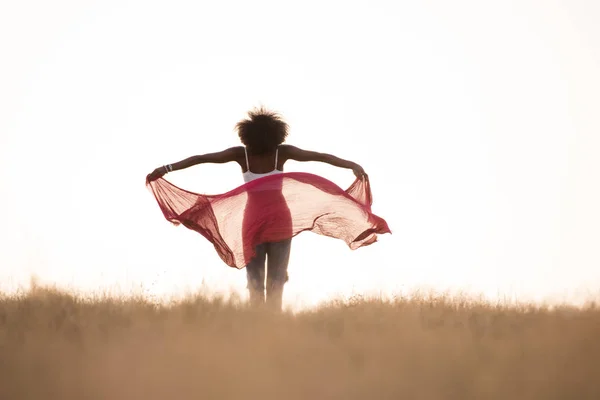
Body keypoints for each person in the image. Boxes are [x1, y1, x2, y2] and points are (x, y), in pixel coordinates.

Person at [147, 107, 368, 310]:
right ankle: (264, 324)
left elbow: (319, 157)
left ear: (247, 135)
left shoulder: (270, 153)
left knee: (266, 278)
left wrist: (352, 166)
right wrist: (166, 168)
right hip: (266, 221)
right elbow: (202, 158)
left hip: (268, 221)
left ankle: (267, 326)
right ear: (277, 134)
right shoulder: (257, 153)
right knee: (271, 278)